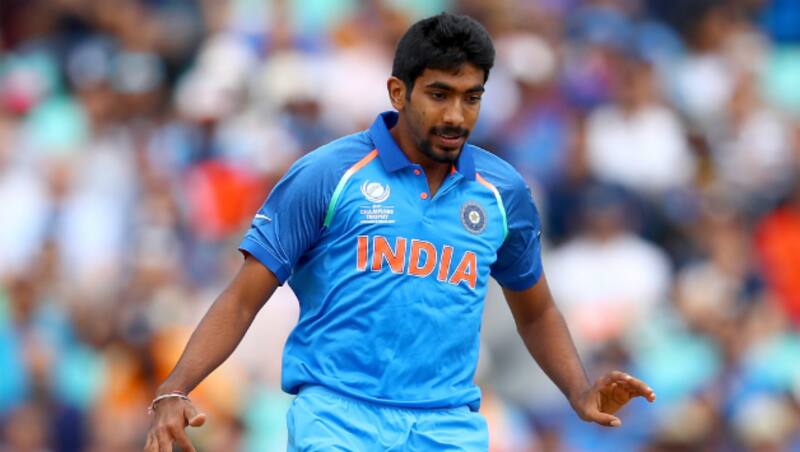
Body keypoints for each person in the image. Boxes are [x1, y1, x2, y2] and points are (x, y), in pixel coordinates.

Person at [143, 13, 656, 452]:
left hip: (448, 425)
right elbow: (240, 299)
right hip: (338, 418)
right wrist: (176, 388)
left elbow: (537, 309)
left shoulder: (503, 192)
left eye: (471, 98)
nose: (456, 115)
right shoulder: (329, 174)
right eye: (439, 95)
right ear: (398, 91)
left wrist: (579, 391)